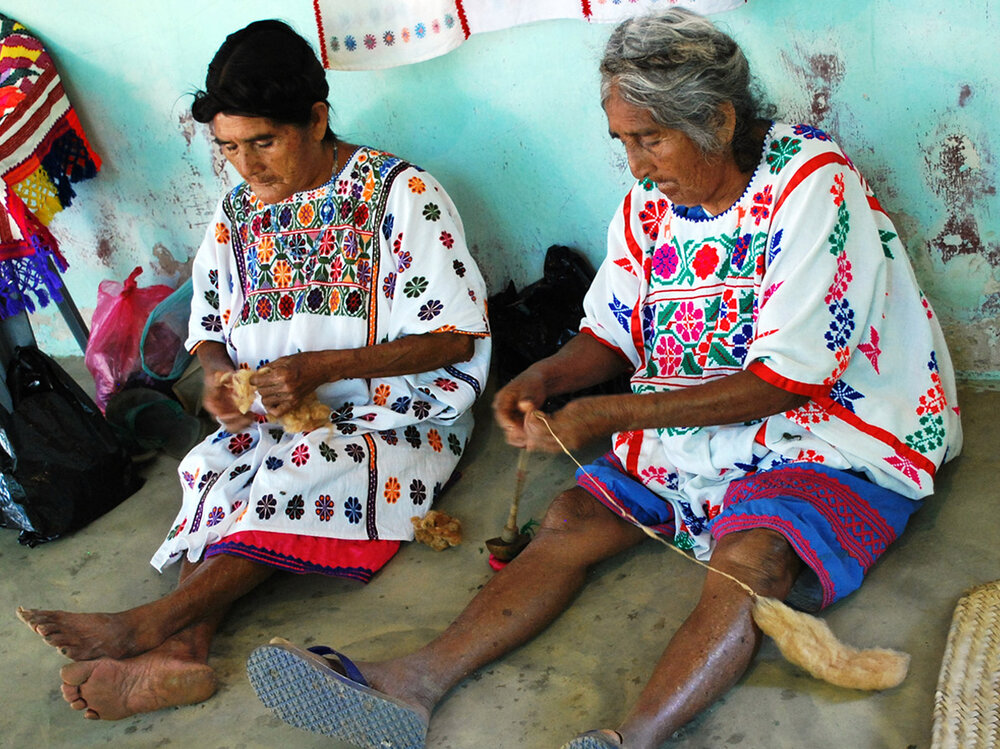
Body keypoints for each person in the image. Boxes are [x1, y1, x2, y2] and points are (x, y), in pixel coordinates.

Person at [242, 8, 961, 749]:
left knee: (751, 560)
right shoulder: (654, 202)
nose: (637, 165)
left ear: (716, 117)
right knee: (571, 521)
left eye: (650, 138)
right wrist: (547, 378)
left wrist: (610, 415)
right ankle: (413, 683)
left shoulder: (811, 184)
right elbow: (612, 327)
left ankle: (630, 739)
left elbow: (784, 383)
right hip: (692, 422)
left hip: (827, 426)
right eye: (623, 141)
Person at [16, 20, 490, 721]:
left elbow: (456, 337)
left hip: (396, 413)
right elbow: (210, 326)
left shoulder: (401, 193)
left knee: (306, 471)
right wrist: (214, 375)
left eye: (264, 142)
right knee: (217, 471)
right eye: (230, 148)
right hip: (277, 410)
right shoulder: (241, 210)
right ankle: (182, 654)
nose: (248, 167)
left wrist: (324, 367)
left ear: (318, 118)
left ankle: (151, 623)